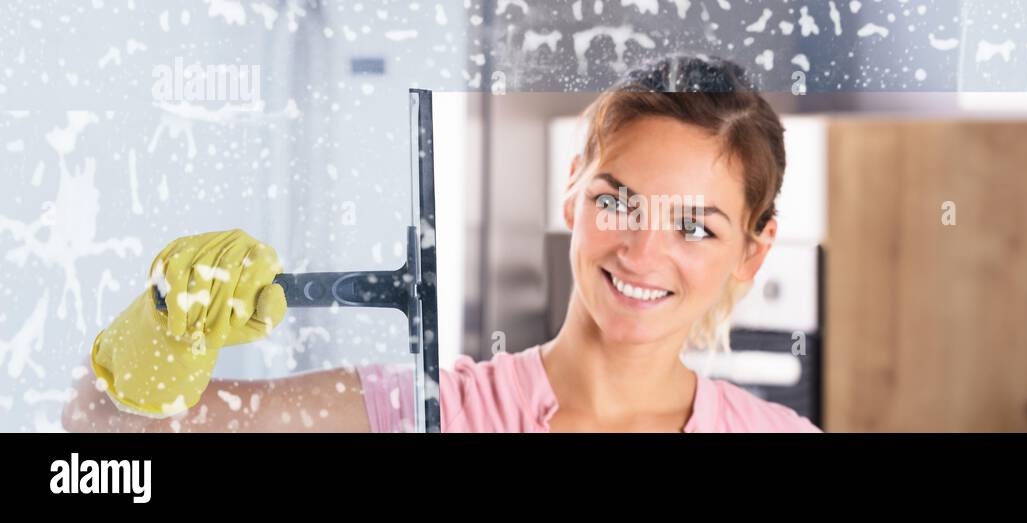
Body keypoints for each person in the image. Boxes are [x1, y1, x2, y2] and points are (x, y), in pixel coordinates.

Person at [62, 55, 820, 433]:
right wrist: (163, 323)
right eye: (617, 202)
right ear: (573, 190)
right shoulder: (436, 411)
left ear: (752, 252)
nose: (643, 250)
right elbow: (95, 430)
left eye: (695, 225)